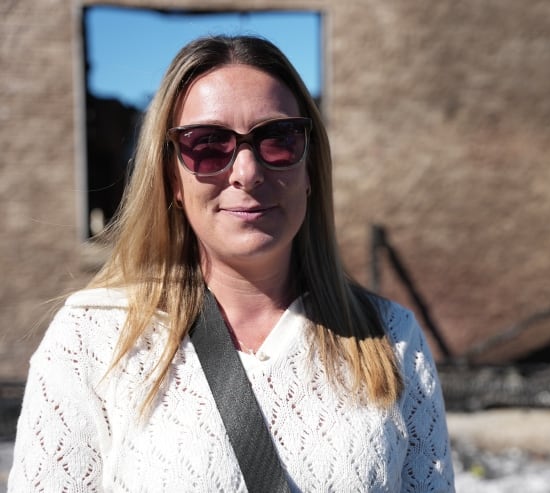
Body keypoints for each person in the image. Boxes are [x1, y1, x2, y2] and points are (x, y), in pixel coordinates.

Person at [9, 35, 454, 492]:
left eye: (278, 139)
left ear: (309, 168)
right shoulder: (94, 338)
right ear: (172, 179)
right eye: (207, 144)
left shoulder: (391, 340)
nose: (247, 172)